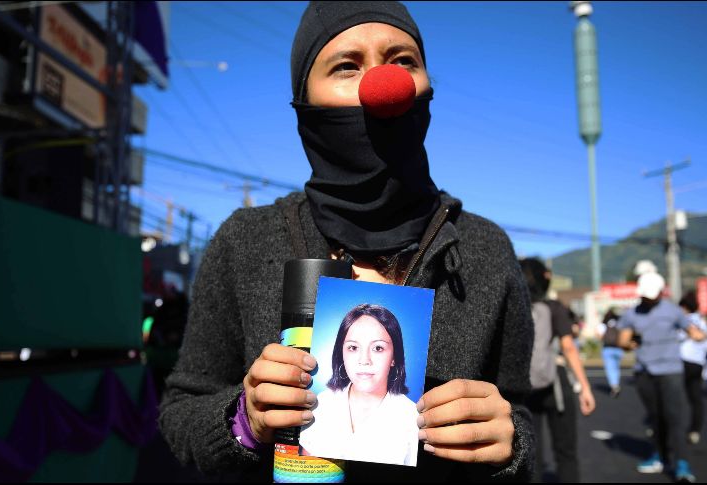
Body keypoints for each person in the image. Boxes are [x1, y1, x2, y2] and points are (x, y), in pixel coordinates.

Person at [158, 2, 535, 481]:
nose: (384, 85)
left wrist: (510, 444)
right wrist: (244, 421)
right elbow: (181, 411)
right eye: (346, 66)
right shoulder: (246, 239)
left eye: (403, 61)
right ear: (304, 100)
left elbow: (521, 413)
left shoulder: (486, 248)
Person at [299, 304, 419, 466]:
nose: (364, 360)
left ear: (394, 358)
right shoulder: (321, 403)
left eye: (378, 348)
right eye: (353, 347)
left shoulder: (412, 418)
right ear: (341, 353)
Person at [617, 272, 705, 482]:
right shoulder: (631, 313)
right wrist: (629, 343)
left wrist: (698, 334)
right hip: (644, 372)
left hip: (670, 371)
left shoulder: (672, 310)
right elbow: (623, 341)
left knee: (675, 417)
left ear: (660, 292)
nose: (650, 299)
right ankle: (660, 455)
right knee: (655, 418)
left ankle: (682, 462)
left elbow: (692, 330)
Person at [519, 258, 595, 483]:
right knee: (566, 452)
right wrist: (585, 388)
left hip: (525, 386)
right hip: (556, 385)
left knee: (532, 453)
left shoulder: (516, 308)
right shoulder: (554, 308)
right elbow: (569, 347)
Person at [678, 292, 707, 445]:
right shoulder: (702, 320)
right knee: (696, 398)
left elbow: (677, 337)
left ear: (684, 306)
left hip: (683, 361)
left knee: (673, 396)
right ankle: (695, 430)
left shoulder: (683, 320)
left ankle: (670, 428)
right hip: (698, 362)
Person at [598, 308, 624, 398]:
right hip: (618, 348)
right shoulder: (619, 322)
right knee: (616, 368)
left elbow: (600, 336)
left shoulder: (604, 324)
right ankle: (616, 383)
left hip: (607, 348)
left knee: (610, 368)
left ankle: (614, 385)